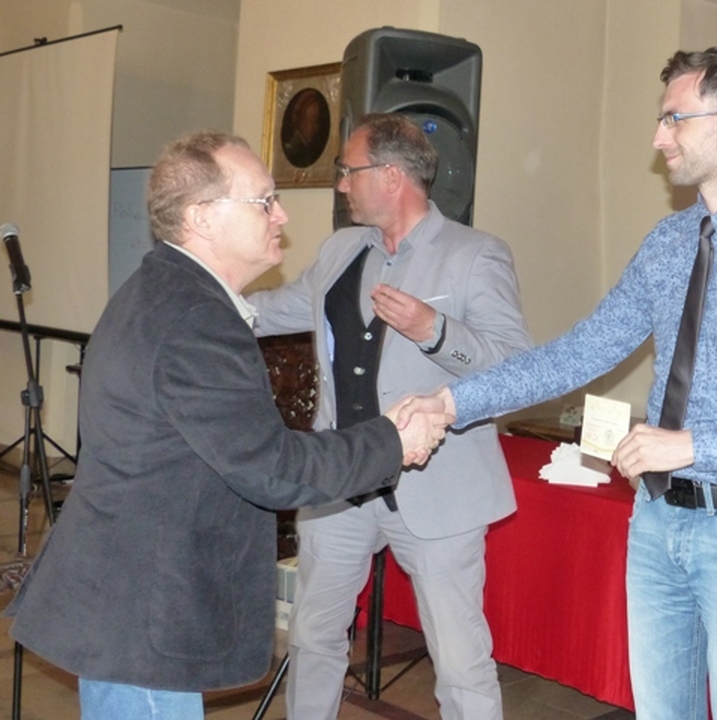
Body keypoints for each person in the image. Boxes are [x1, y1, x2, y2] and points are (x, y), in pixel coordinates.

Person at [398, 48, 717, 720]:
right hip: (655, 522)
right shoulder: (668, 242)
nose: (658, 137)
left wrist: (692, 445)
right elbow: (577, 353)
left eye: (674, 118)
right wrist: (453, 402)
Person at [5, 130, 450, 720]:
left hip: (128, 604)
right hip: (144, 622)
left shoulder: (168, 290)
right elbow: (274, 470)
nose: (281, 215)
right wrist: (394, 439)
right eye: (264, 201)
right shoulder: (195, 318)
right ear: (202, 218)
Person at [248, 112, 531, 720]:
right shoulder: (340, 249)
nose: (341, 184)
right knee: (311, 638)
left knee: (459, 663)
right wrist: (202, 301)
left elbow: (513, 368)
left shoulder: (476, 255)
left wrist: (435, 330)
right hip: (339, 482)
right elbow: (276, 310)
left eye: (349, 171)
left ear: (392, 176)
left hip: (437, 487)